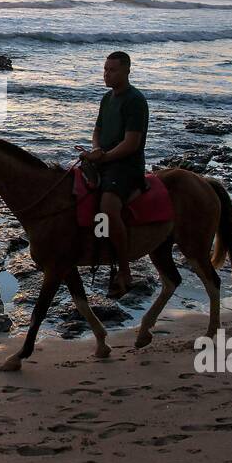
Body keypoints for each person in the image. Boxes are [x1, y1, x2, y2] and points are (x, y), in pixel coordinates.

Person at [78, 51, 148, 298]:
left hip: (126, 166)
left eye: (113, 70)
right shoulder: (106, 99)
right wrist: (96, 150)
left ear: (127, 71)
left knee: (108, 206)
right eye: (105, 69)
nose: (107, 74)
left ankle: (125, 269)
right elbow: (97, 131)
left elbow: (131, 143)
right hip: (104, 160)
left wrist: (104, 157)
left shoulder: (135, 100)